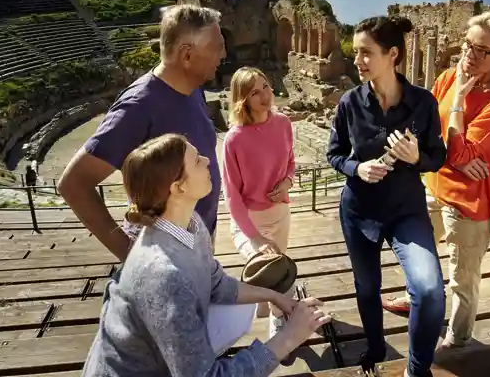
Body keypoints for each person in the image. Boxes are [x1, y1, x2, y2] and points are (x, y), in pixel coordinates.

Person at [82, 133, 331, 377]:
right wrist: (289, 337)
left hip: (162, 359)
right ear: (179, 187)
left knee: (240, 309)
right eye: (197, 160)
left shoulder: (189, 223)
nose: (208, 161)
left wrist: (274, 297)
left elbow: (216, 282)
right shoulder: (164, 275)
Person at [382, 11, 490, 349]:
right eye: (467, 45)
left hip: (468, 204)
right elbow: (423, 127)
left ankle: (458, 340)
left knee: (463, 279)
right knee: (421, 256)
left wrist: (460, 99)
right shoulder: (448, 76)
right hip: (432, 186)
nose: (469, 55)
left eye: (481, 50)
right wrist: (452, 154)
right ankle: (413, 296)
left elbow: (461, 153)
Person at [327, 15, 448, 377]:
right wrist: (356, 169)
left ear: (392, 54)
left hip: (406, 211)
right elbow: (334, 154)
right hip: (359, 211)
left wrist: (417, 159)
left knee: (429, 291)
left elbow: (438, 156)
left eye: (366, 53)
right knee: (367, 288)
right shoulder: (349, 103)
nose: (358, 60)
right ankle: (376, 347)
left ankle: (416, 369)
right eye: (356, 53)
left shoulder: (423, 103)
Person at [58, 5, 227, 261]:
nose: (223, 54)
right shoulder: (138, 107)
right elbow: (73, 184)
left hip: (199, 242)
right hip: (163, 256)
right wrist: (129, 254)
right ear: (187, 55)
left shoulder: (193, 88)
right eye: (217, 47)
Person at [222, 67, 296, 336]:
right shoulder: (234, 139)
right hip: (250, 220)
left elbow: (290, 162)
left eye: (265, 86)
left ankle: (270, 306)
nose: (266, 95)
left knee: (280, 268)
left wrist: (288, 181)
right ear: (243, 100)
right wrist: (254, 238)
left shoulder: (284, 123)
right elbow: (231, 195)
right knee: (271, 268)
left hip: (281, 213)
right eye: (255, 92)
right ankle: (278, 318)